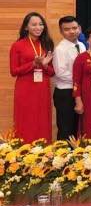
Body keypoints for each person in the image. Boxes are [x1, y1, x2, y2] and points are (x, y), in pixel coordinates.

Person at [9, 11, 54, 142]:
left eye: (41, 24)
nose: (38, 27)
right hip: (25, 88)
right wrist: (33, 64)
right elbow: (14, 71)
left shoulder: (47, 44)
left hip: (42, 89)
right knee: (26, 119)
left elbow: (52, 72)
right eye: (34, 24)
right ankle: (24, 150)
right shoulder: (18, 45)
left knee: (42, 119)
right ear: (26, 27)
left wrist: (44, 65)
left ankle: (44, 152)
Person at [52, 15, 85, 140]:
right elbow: (61, 73)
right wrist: (81, 80)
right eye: (67, 29)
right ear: (61, 31)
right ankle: (63, 156)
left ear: (79, 29)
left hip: (79, 91)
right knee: (66, 128)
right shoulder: (60, 49)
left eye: (74, 28)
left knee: (78, 126)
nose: (72, 31)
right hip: (66, 92)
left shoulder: (82, 45)